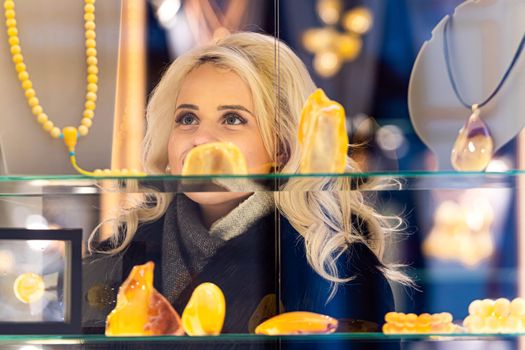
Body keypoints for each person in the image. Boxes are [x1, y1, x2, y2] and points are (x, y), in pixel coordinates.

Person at [84, 31, 411, 334]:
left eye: (232, 119)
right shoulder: (120, 252)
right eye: (187, 118)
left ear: (282, 146)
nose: (201, 139)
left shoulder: (340, 270)